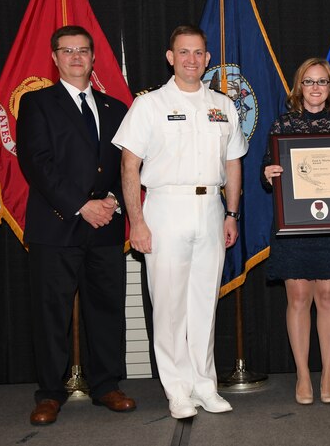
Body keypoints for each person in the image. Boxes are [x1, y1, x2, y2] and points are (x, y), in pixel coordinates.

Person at [113, 25, 248, 419]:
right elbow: (129, 165)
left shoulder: (223, 105)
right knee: (169, 305)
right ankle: (177, 390)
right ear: (170, 57)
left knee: (204, 302)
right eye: (183, 52)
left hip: (210, 209)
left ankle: (205, 386)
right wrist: (136, 221)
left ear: (208, 59)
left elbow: (233, 162)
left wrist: (232, 213)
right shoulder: (149, 105)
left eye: (199, 53)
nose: (192, 59)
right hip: (164, 208)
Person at [17, 25, 135, 426]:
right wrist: (82, 205)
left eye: (83, 51)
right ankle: (50, 393)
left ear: (93, 57)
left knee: (106, 310)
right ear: (54, 58)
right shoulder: (37, 103)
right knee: (52, 314)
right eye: (68, 51)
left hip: (105, 225)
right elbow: (37, 164)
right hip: (56, 226)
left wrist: (114, 202)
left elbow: (127, 166)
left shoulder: (115, 107)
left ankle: (107, 385)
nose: (76, 58)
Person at [262, 58, 330, 405]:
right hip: (295, 226)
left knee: (328, 299)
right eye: (309, 82)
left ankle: (329, 374)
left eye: (322, 81)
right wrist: (270, 172)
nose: (316, 87)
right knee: (298, 299)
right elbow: (268, 166)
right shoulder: (283, 124)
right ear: (298, 87)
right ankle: (304, 376)